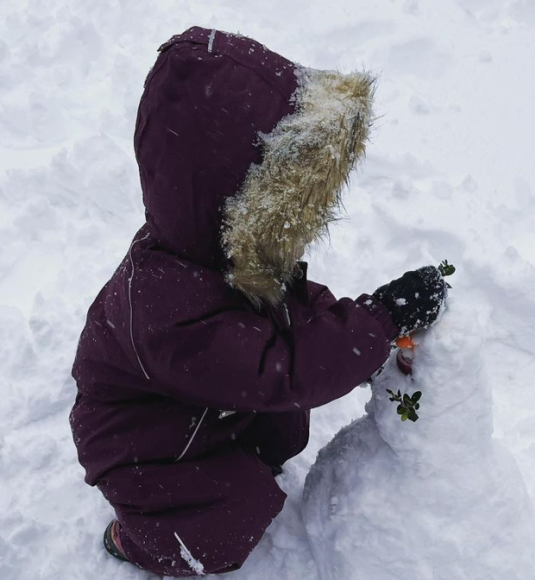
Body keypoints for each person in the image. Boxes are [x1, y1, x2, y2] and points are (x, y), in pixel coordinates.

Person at [69, 25, 447, 577]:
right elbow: (280, 370)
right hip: (139, 444)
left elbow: (291, 311)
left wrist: (358, 333)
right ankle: (139, 539)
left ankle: (224, 461)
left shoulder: (219, 249)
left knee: (285, 427)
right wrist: (378, 321)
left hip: (193, 406)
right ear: (233, 197)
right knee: (229, 525)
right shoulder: (169, 307)